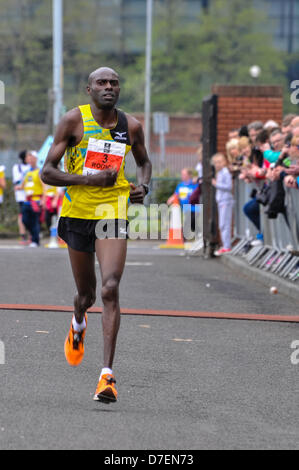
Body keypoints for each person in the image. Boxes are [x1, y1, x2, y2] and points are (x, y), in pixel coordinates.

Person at [41, 67, 152, 404]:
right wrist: (88, 181)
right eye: (101, 83)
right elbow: (47, 172)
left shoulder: (130, 126)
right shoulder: (73, 121)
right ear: (88, 89)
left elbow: (145, 162)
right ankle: (78, 322)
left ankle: (107, 376)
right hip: (77, 214)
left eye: (114, 83)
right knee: (86, 295)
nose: (109, 88)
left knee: (111, 287)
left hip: (112, 212)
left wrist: (143, 186)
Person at [17, 150, 43, 247]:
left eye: (32, 157)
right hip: (27, 201)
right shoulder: (27, 172)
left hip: (36, 200)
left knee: (34, 221)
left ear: (36, 159)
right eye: (29, 157)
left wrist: (43, 200)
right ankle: (33, 235)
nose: (31, 159)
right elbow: (22, 185)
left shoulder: (39, 171)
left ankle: (35, 240)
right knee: (24, 220)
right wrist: (18, 187)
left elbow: (44, 186)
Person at [211, 153, 234, 255]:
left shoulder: (225, 172)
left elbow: (229, 186)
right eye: (216, 163)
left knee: (224, 224)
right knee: (222, 224)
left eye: (219, 162)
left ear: (224, 162)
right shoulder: (220, 173)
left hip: (226, 200)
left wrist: (217, 184)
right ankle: (225, 245)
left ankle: (227, 246)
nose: (217, 164)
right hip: (221, 200)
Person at [12, 150, 31, 244]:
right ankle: (23, 235)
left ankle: (32, 235)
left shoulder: (33, 167)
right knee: (22, 216)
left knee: (32, 216)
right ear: (24, 157)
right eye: (28, 155)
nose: (30, 157)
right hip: (21, 196)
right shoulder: (17, 167)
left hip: (32, 195)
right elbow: (17, 182)